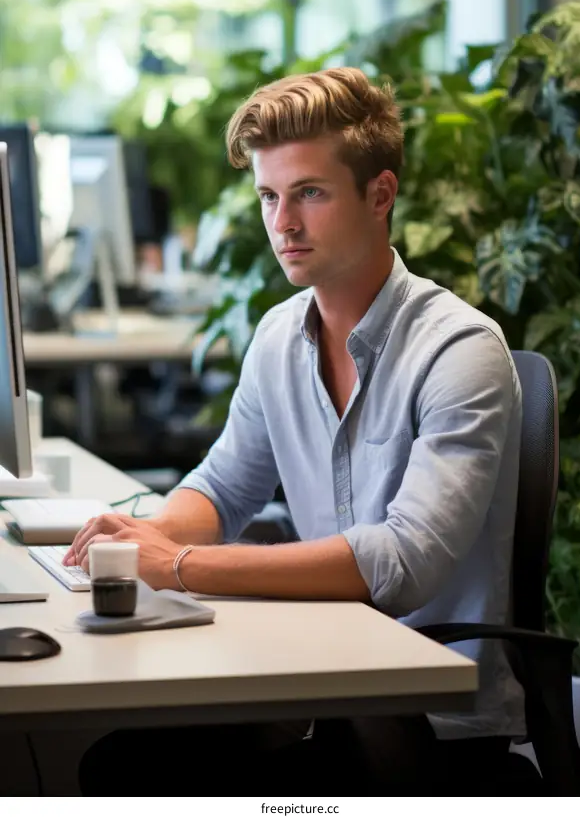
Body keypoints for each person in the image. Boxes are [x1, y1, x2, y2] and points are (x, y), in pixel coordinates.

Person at [71, 67, 525, 796]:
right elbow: (222, 488)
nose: (283, 222)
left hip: (432, 722)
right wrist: (139, 541)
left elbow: (402, 561)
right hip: (323, 690)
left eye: (309, 193)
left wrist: (179, 565)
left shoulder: (459, 349)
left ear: (380, 195)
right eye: (269, 196)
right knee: (118, 764)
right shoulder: (280, 337)